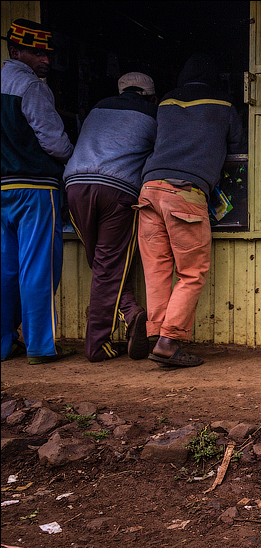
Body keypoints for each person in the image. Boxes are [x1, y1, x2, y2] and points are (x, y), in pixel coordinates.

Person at [137, 53, 243, 368]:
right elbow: (237, 146)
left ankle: (157, 337)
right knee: (191, 272)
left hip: (148, 190)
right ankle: (169, 342)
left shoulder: (166, 102)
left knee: (156, 270)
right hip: (185, 192)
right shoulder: (224, 104)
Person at [63, 72, 158, 362]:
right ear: (151, 95)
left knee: (104, 265)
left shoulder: (98, 108)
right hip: (117, 191)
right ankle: (96, 346)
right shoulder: (155, 114)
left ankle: (130, 313)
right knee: (108, 267)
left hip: (75, 186)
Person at [1, 19, 75, 365]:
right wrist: (76, 155)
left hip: (2, 188)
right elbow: (55, 143)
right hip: (34, 188)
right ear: (15, 51)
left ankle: (3, 344)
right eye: (36, 51)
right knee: (38, 268)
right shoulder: (32, 87)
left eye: (47, 51)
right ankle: (40, 347)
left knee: (5, 269)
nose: (44, 58)